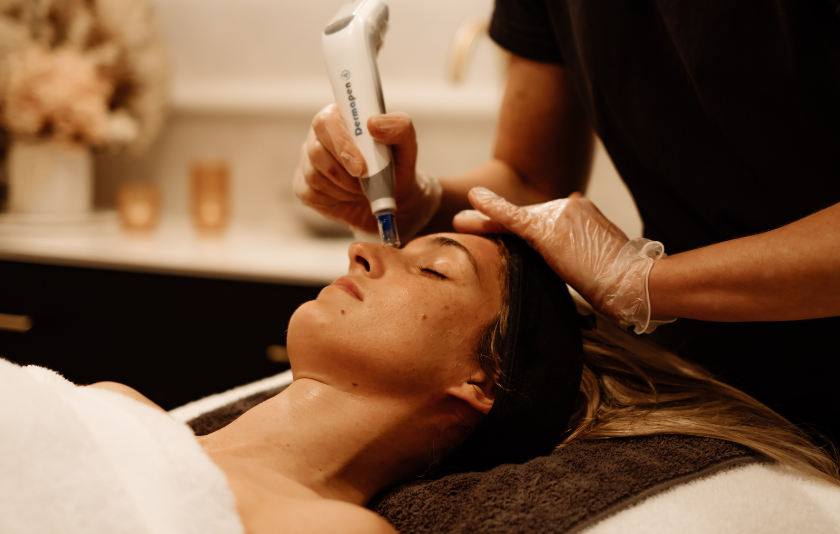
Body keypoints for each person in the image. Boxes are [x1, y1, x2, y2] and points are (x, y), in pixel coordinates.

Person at [293, 0, 840, 444]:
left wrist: (645, 281)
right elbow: (532, 180)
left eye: (436, 270)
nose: (359, 254)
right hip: (709, 386)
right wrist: (418, 202)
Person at [8, 233, 838, 533]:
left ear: (483, 378)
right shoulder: (115, 404)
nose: (362, 250)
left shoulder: (326, 530)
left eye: (434, 269)